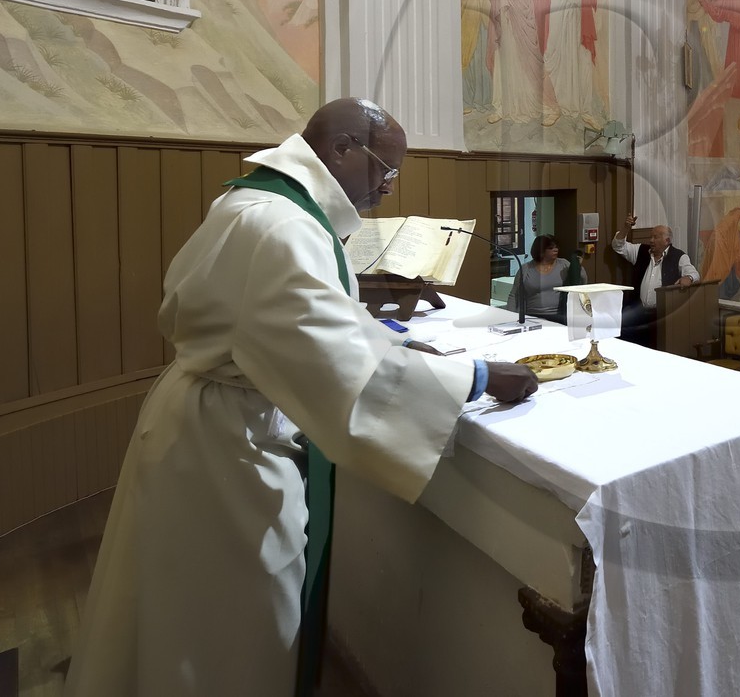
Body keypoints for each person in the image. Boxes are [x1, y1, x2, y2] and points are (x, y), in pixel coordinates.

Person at [64, 99, 539, 697]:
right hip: (229, 454)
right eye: (385, 170)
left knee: (180, 621)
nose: (389, 188)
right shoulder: (281, 226)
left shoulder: (261, 206)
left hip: (211, 424)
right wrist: (478, 377)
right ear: (342, 149)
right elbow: (333, 359)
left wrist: (378, 336)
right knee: (229, 630)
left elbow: (300, 324)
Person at [610, 213, 699, 348]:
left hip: (662, 314)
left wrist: (688, 278)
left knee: (656, 347)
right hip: (639, 310)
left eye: (655, 237)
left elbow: (693, 273)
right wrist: (626, 228)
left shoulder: (679, 256)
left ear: (667, 241)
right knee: (622, 332)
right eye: (650, 237)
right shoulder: (641, 251)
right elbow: (618, 246)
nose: (651, 240)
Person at [511, 234, 584, 323]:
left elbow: (581, 281)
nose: (555, 250)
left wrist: (578, 266)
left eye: (556, 247)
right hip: (532, 316)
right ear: (541, 251)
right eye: (551, 248)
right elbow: (514, 295)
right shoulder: (526, 269)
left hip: (559, 316)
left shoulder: (564, 265)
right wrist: (509, 317)